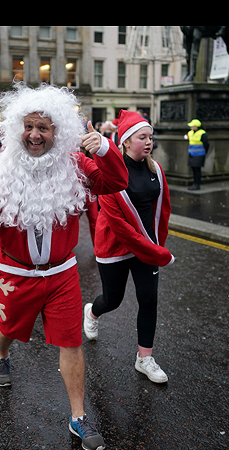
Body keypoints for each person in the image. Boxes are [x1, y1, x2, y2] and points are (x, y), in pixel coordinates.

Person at [0, 83, 128, 450]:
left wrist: (103, 147)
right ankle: (1, 354)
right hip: (13, 275)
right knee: (6, 329)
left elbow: (117, 181)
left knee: (71, 341)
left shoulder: (76, 164)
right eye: (30, 126)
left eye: (45, 128)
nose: (36, 135)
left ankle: (79, 417)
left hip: (61, 274)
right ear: (17, 128)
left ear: (58, 132)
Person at [84, 110, 174, 384]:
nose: (148, 142)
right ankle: (92, 311)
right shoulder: (110, 174)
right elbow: (122, 229)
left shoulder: (155, 169)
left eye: (150, 137)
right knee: (113, 300)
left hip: (146, 247)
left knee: (149, 300)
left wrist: (158, 244)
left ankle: (144, 358)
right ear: (124, 141)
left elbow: (163, 209)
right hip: (115, 247)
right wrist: (157, 252)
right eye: (142, 137)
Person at [184, 119, 209, 191]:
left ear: (196, 126)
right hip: (192, 154)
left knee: (197, 170)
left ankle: (197, 184)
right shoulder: (190, 133)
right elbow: (185, 137)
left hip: (199, 154)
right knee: (194, 169)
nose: (191, 127)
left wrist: (204, 152)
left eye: (192, 126)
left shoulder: (202, 133)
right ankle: (194, 183)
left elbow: (206, 144)